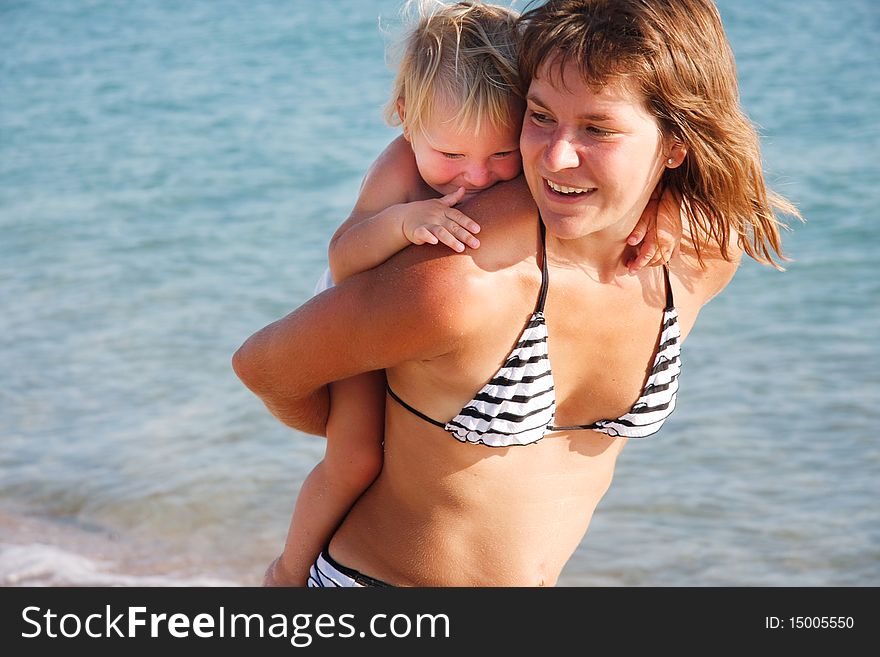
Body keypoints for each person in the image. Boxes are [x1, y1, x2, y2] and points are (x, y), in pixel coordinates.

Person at [235, 0, 798, 586]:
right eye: (539, 116)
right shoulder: (462, 280)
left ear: (677, 144)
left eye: (598, 128)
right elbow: (264, 365)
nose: (554, 157)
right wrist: (366, 426)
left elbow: (725, 211)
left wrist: (670, 199)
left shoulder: (699, 253)